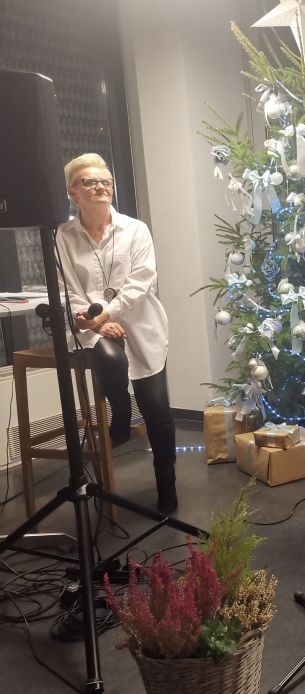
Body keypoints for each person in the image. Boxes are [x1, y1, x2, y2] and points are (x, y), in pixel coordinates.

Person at [57, 153, 177, 514]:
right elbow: (68, 289)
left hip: (140, 323)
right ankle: (121, 410)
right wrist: (96, 322)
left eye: (105, 181)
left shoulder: (135, 230)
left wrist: (107, 313)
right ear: (72, 192)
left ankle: (166, 482)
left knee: (156, 405)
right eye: (90, 182)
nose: (100, 187)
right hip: (94, 327)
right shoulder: (63, 236)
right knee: (110, 358)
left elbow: (141, 282)